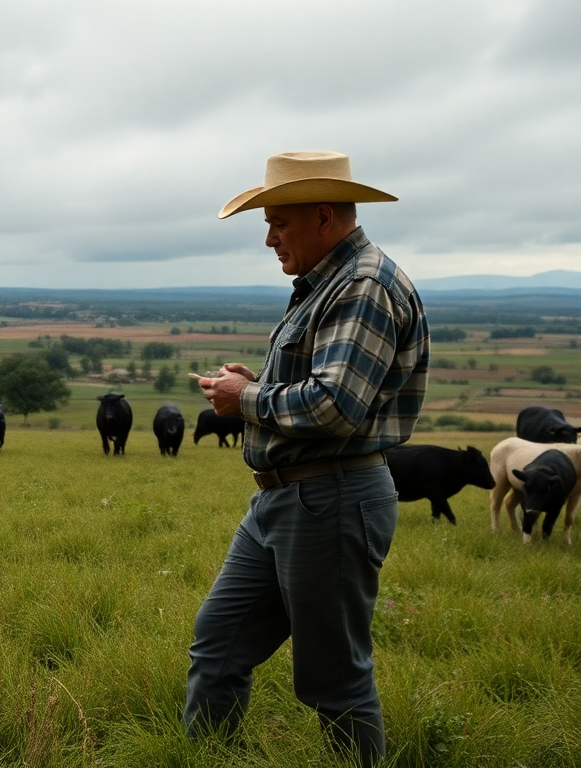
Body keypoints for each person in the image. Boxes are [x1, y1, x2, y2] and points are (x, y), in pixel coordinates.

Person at [184, 151, 430, 765]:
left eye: (279, 223)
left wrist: (248, 398)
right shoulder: (328, 283)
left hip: (333, 497)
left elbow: (336, 405)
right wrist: (256, 383)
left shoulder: (363, 286)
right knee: (218, 644)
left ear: (324, 216)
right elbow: (320, 382)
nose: (269, 239)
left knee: (334, 680)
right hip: (284, 497)